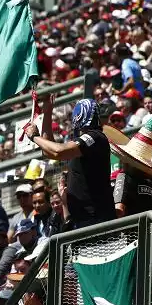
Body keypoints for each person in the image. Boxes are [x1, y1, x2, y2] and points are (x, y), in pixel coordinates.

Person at [26, 98, 116, 228]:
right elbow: (49, 152)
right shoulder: (82, 143)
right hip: (82, 220)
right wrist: (47, 112)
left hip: (96, 219)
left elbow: (58, 151)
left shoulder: (95, 137)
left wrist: (34, 137)